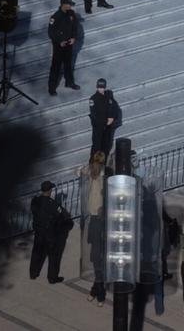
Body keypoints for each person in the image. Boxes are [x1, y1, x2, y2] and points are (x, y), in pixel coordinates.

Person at [30, 180, 72, 283]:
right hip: (50, 235)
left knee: (36, 253)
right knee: (54, 256)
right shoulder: (53, 204)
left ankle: (33, 273)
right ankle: (52, 277)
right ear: (49, 191)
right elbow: (64, 215)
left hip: (38, 232)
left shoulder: (35, 201)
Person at [80, 151, 109, 306]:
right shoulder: (93, 172)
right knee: (96, 258)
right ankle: (96, 290)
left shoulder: (102, 175)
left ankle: (99, 292)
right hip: (94, 217)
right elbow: (79, 170)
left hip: (99, 218)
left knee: (97, 259)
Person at [47, 0, 80, 95]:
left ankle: (69, 82)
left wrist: (74, 37)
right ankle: (52, 87)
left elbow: (75, 27)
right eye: (69, 4)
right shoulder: (55, 17)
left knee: (68, 64)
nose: (70, 6)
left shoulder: (71, 14)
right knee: (55, 66)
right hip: (59, 46)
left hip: (69, 44)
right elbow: (50, 32)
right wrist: (59, 41)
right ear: (63, 5)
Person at [89, 78, 120, 160]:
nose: (101, 89)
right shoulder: (93, 99)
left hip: (107, 126)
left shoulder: (108, 97)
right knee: (96, 147)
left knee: (106, 146)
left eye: (102, 87)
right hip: (98, 127)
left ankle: (103, 165)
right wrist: (104, 122)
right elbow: (94, 114)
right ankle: (93, 165)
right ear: (97, 87)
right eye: (99, 87)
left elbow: (114, 108)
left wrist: (112, 117)